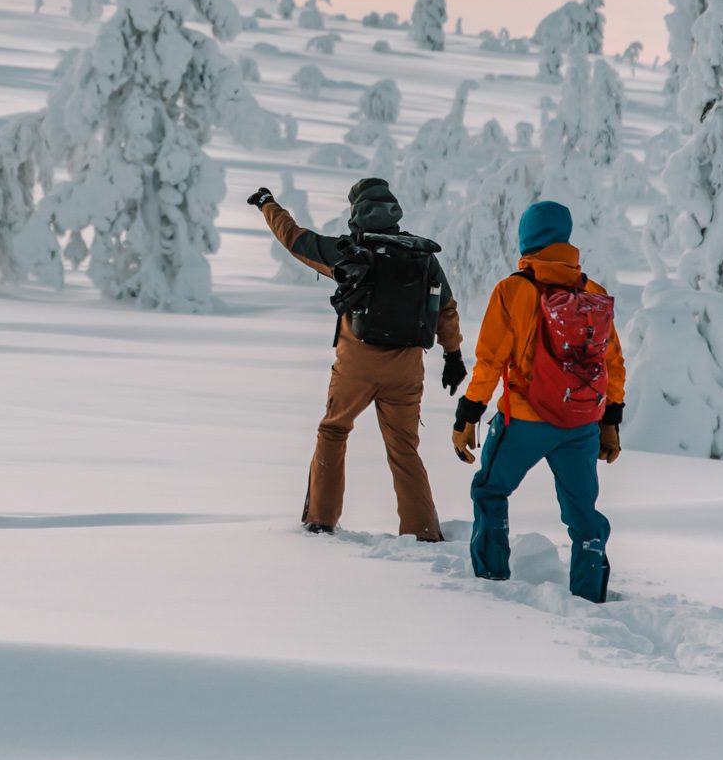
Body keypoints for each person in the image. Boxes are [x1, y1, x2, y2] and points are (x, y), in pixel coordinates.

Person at [249, 178, 466, 541]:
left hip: (357, 366)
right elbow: (445, 308)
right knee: (404, 449)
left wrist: (268, 204)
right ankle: (424, 531)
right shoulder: (421, 255)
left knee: (333, 430)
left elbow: (295, 240)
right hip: (407, 368)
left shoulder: (348, 251)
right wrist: (453, 354)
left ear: (356, 210)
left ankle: (320, 520)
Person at [452, 200, 625, 602]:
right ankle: (590, 596)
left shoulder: (513, 290)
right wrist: (610, 421)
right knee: (584, 515)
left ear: (526, 238)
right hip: (581, 422)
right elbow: (612, 361)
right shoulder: (593, 292)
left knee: (491, 491)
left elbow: (490, 360)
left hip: (525, 421)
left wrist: (468, 414)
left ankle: (491, 581)